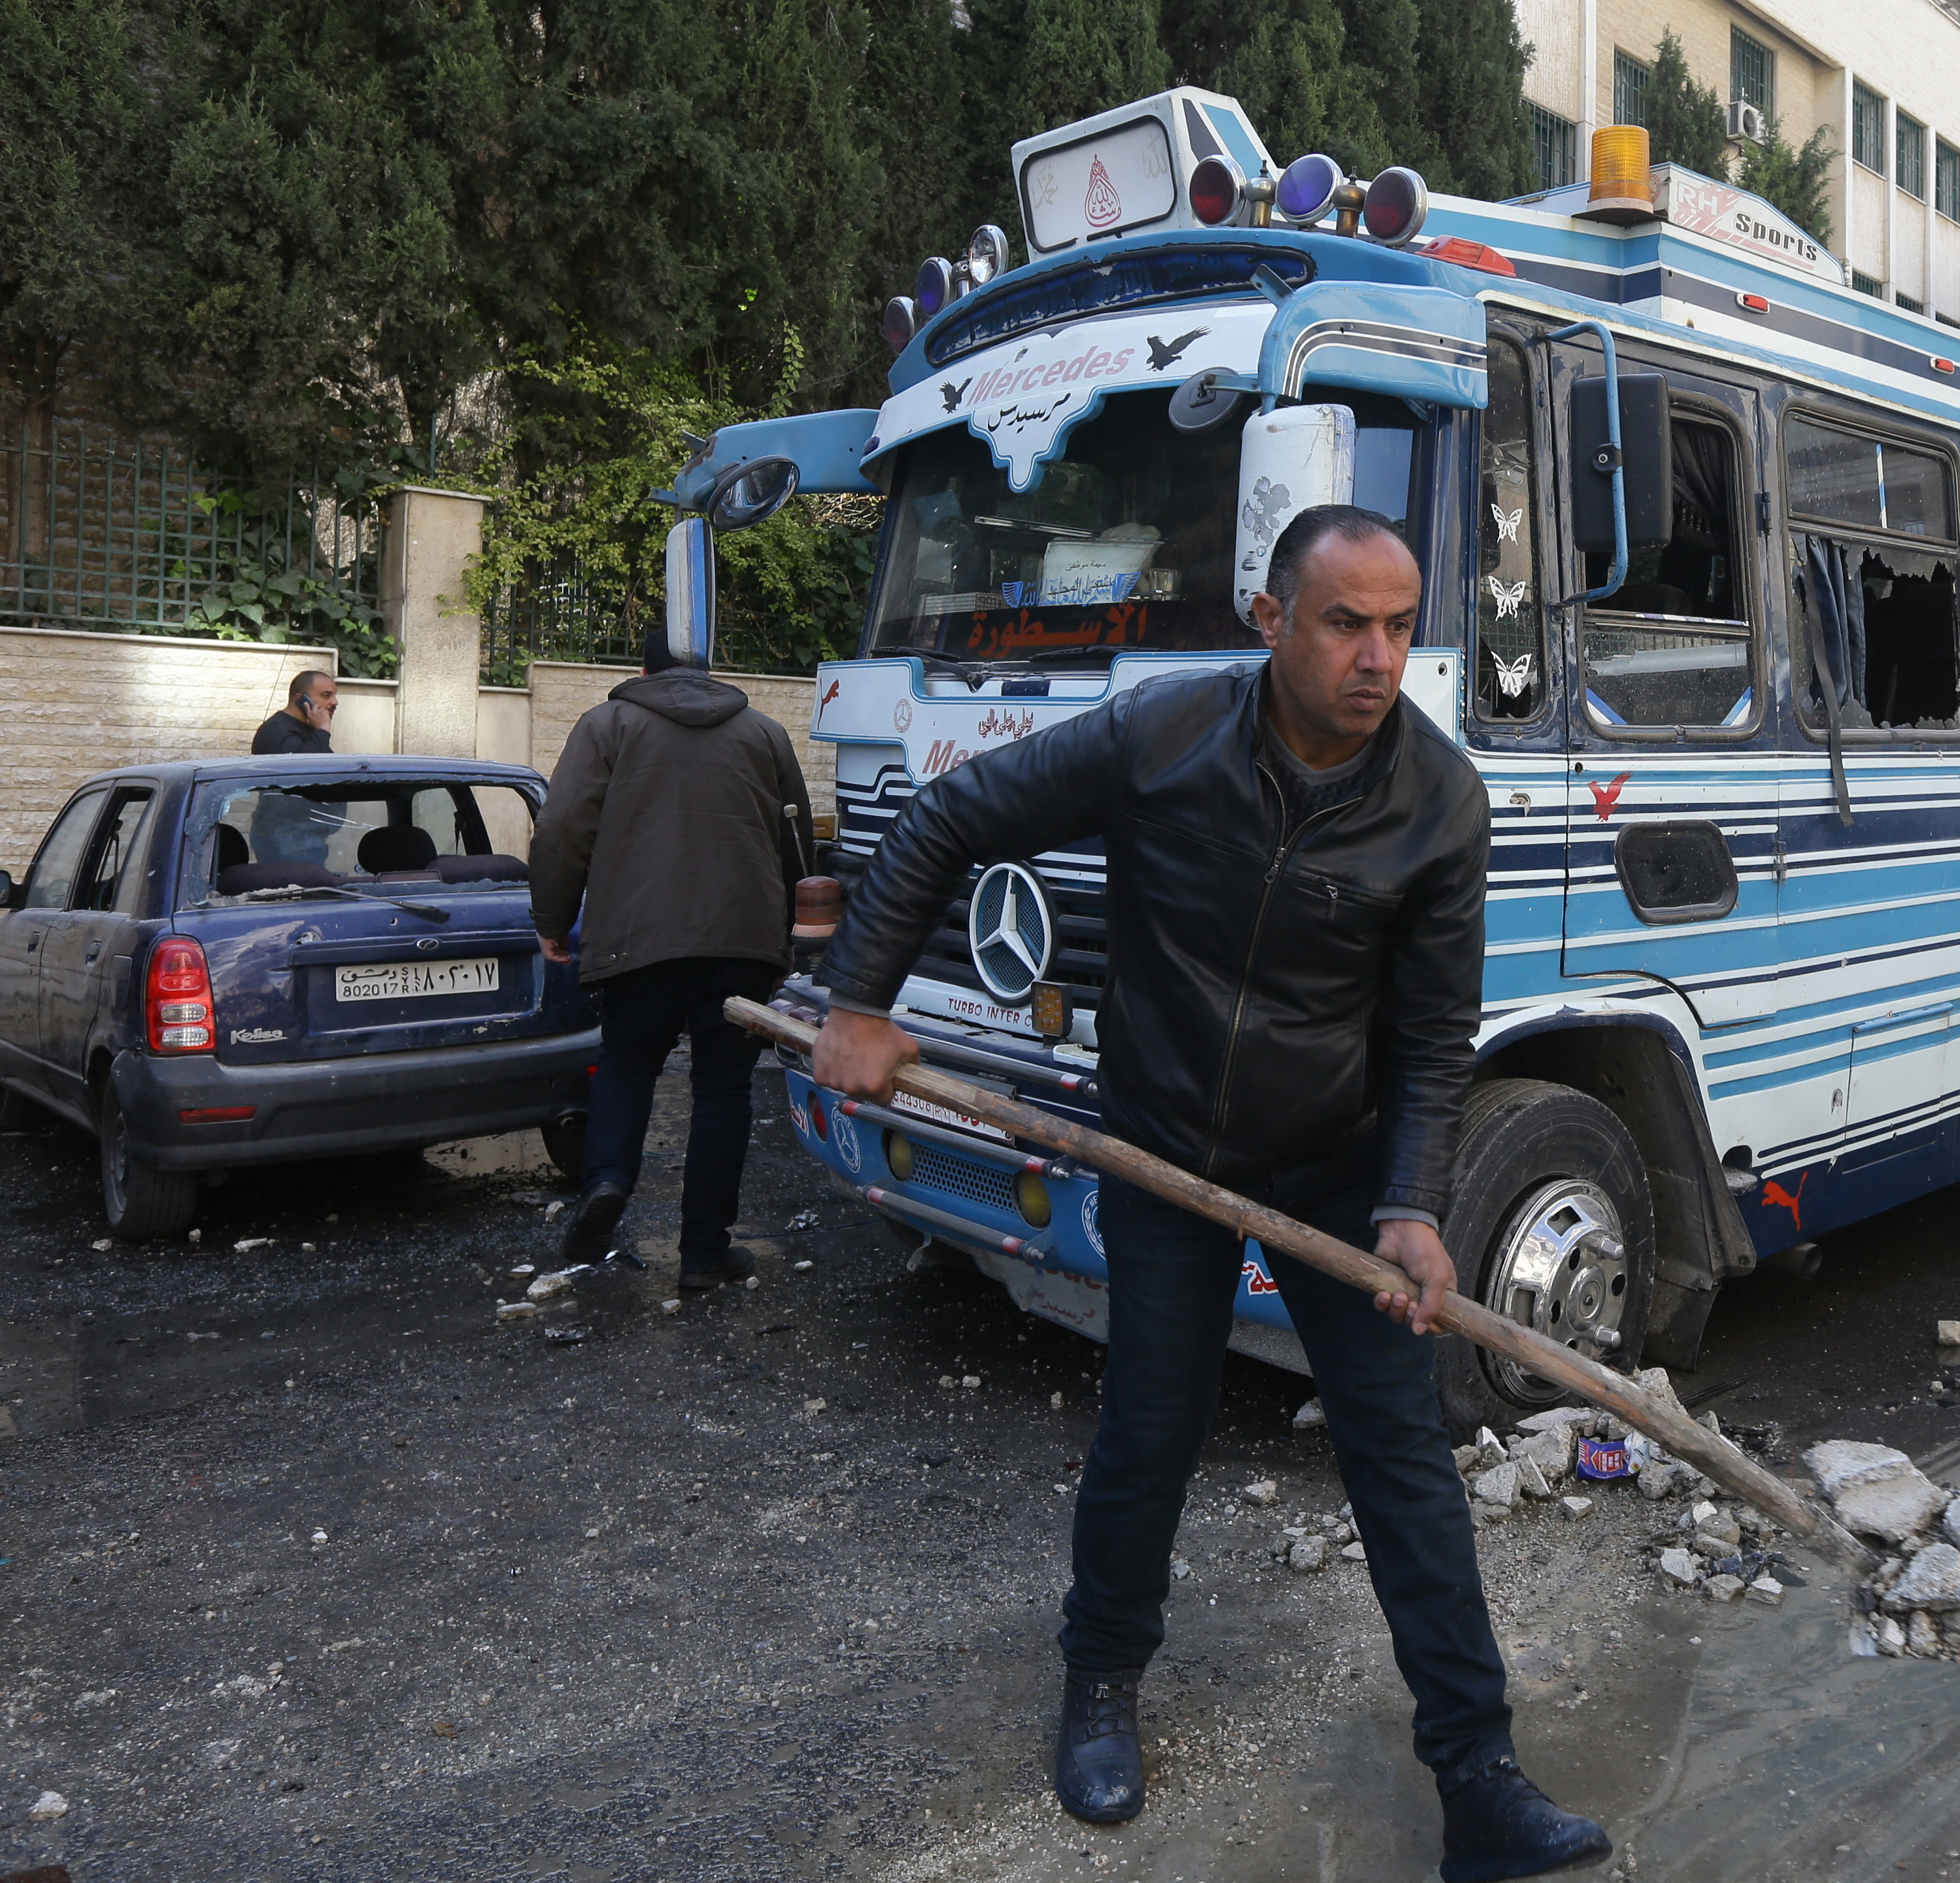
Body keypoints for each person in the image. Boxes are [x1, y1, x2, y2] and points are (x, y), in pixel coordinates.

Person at [806, 507, 1610, 1879]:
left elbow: (1429, 1037)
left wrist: (1413, 1205)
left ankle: (1477, 1775)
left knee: (1401, 1460)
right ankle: (1101, 1690)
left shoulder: (1438, 802)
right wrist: (857, 1005)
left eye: (1400, 626)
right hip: (1165, 1153)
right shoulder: (1159, 739)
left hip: (1339, 1167)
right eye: (1345, 622)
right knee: (1150, 1428)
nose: (1377, 656)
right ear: (1268, 620)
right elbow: (949, 816)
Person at [530, 618, 813, 1291]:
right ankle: (705, 1253)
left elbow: (564, 827)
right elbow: (796, 838)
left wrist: (553, 918)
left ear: (647, 670)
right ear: (709, 668)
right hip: (743, 940)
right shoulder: (765, 733)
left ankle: (606, 1182)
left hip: (638, 939)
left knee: (628, 1063)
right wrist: (790, 936)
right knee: (722, 1089)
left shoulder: (607, 726)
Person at [251, 670, 337, 753]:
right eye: (326, 696)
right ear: (301, 699)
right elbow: (305, 763)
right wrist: (323, 728)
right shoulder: (276, 730)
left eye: (334, 695)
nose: (335, 702)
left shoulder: (311, 729)